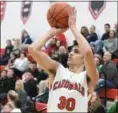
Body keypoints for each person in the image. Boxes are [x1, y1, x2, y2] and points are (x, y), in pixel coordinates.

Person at [28, 7, 98, 112]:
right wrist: (54, 31)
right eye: (71, 51)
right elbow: (33, 49)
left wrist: (73, 27)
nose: (70, 53)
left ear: (84, 60)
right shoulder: (57, 70)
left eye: (76, 51)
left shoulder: (89, 77)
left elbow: (87, 51)